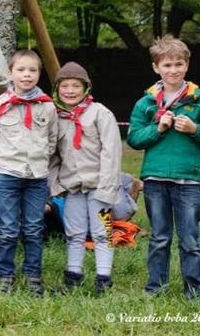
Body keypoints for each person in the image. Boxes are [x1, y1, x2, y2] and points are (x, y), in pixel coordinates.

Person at [127, 35, 200, 305]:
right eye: (167, 65)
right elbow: (134, 139)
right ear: (156, 68)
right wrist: (157, 129)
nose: (173, 70)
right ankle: (155, 288)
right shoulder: (145, 102)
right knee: (159, 236)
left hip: (189, 179)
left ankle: (196, 293)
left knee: (190, 239)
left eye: (178, 64)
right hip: (155, 179)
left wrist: (195, 129)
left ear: (187, 65)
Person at [0, 49, 58, 296]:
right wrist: (3, 163)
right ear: (10, 73)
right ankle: (5, 275)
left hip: (36, 175)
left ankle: (33, 275)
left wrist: (40, 159)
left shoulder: (47, 107)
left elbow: (52, 139)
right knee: (7, 227)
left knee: (34, 227)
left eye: (32, 70)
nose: (26, 75)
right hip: (8, 173)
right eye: (21, 70)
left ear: (39, 74)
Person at [49, 61, 122, 294]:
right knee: (74, 233)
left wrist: (108, 187)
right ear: (57, 89)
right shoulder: (55, 116)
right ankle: (73, 275)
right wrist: (55, 184)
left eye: (76, 86)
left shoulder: (100, 113)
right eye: (65, 86)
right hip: (72, 187)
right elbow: (51, 154)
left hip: (99, 185)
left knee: (102, 233)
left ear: (86, 88)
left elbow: (112, 151)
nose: (70, 91)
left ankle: (103, 278)